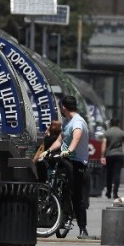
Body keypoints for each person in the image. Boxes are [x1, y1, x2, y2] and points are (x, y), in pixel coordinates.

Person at [45, 95, 90, 237]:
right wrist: (48, 151)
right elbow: (59, 140)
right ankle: (57, 199)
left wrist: (69, 151)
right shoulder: (66, 121)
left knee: (76, 195)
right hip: (65, 158)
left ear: (63, 108)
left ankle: (83, 228)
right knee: (54, 172)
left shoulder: (78, 122)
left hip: (77, 161)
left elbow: (76, 137)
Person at [100, 118, 124, 199]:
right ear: (118, 123)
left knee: (109, 174)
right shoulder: (121, 133)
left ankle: (108, 192)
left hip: (109, 155)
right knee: (117, 174)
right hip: (119, 155)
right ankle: (115, 192)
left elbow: (103, 146)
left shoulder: (107, 133)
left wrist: (102, 156)